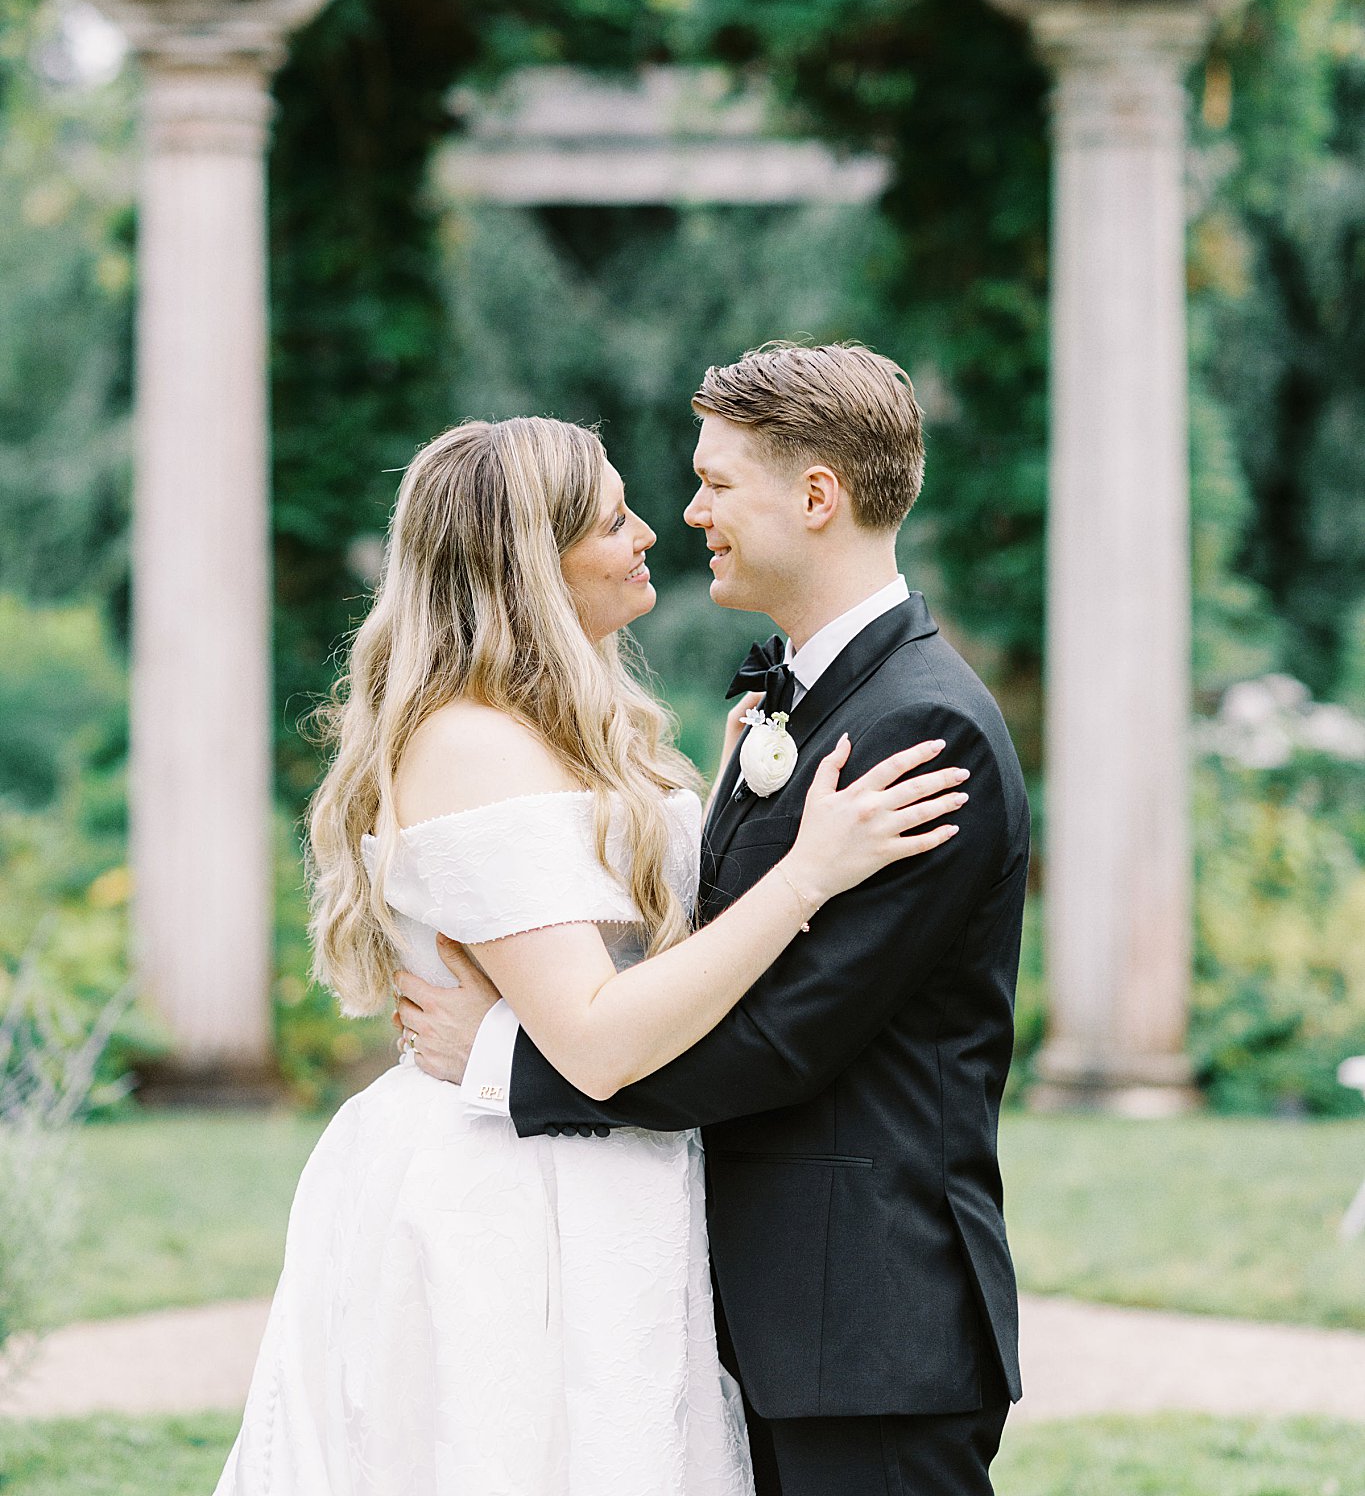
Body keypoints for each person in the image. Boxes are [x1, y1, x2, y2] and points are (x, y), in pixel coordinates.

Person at [213, 412, 964, 1495]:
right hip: (507, 1198)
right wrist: (805, 872)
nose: (653, 530)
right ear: (533, 560)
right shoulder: (468, 739)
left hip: (598, 1164)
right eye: (615, 519)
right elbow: (602, 1039)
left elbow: (644, 951)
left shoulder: (574, 717)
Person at [398, 344, 1031, 1496]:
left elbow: (788, 1035)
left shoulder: (920, 728)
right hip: (782, 1309)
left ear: (818, 496)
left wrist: (515, 1063)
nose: (688, 512)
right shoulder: (797, 702)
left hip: (867, 1324)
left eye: (715, 482)